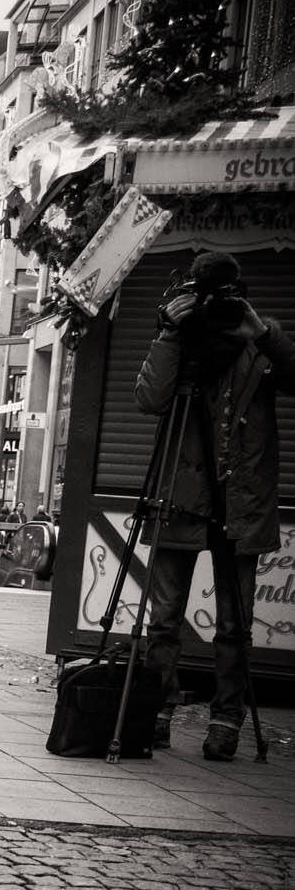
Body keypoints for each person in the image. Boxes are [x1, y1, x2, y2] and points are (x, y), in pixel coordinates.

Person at [136, 250, 295, 758]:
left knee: (235, 624)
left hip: (241, 499)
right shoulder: (181, 339)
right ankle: (157, 709)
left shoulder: (258, 341)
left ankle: (226, 720)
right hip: (181, 495)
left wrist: (263, 333)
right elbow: (150, 399)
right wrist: (167, 332)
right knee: (163, 618)